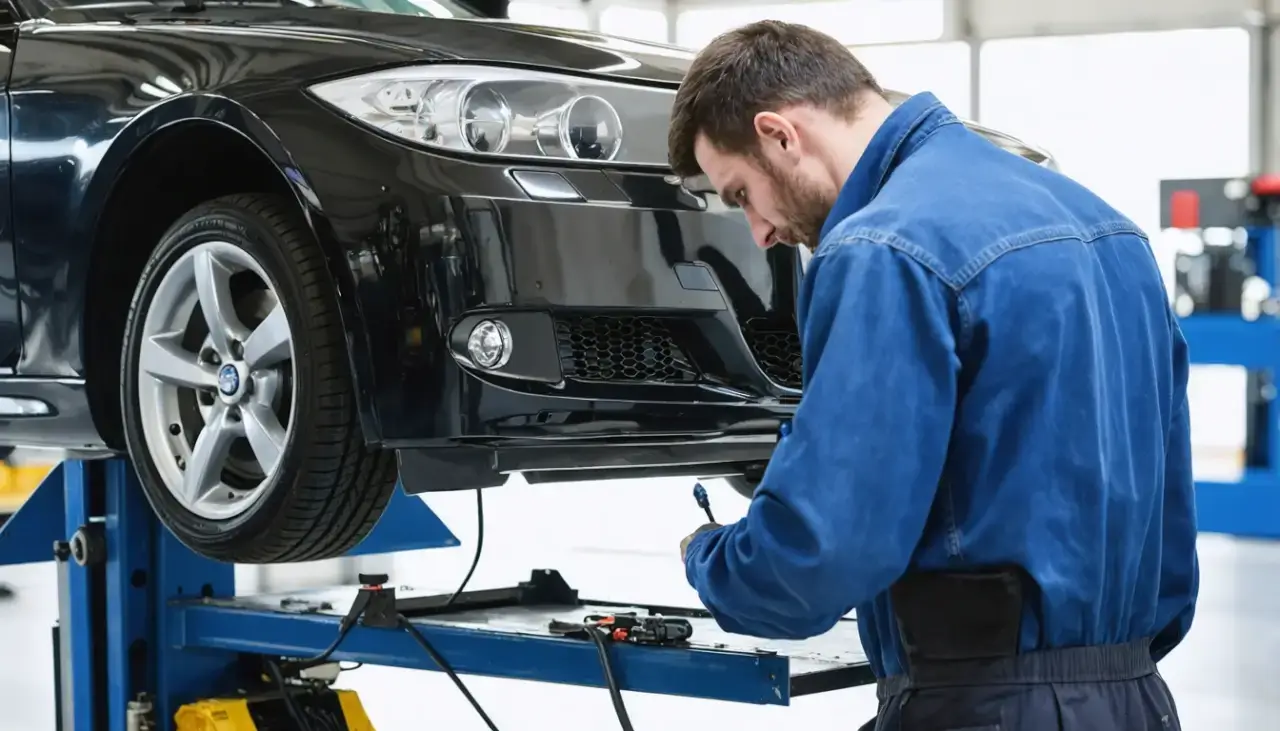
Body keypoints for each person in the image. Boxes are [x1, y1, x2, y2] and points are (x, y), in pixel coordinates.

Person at [671, 21, 1197, 731]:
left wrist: (713, 560)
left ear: (779, 135)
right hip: (1135, 698)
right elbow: (1169, 534)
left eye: (739, 194)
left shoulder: (882, 246)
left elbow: (822, 551)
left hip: (980, 707)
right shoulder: (1110, 228)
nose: (759, 232)